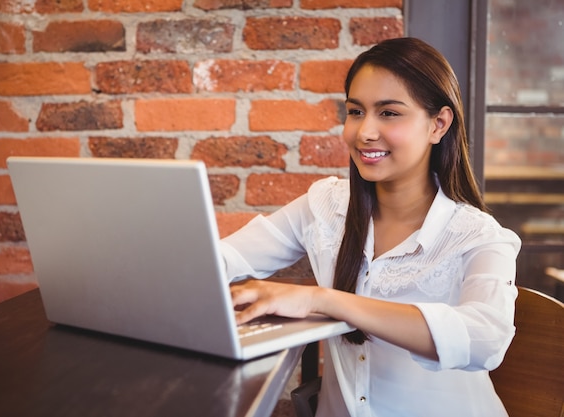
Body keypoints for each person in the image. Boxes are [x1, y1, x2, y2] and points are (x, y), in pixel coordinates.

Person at [219, 37, 521, 417]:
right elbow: (224, 258)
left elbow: (486, 339)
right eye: (356, 111)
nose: (364, 132)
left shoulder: (480, 235)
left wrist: (323, 300)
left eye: (389, 113)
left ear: (438, 124)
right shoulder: (327, 205)